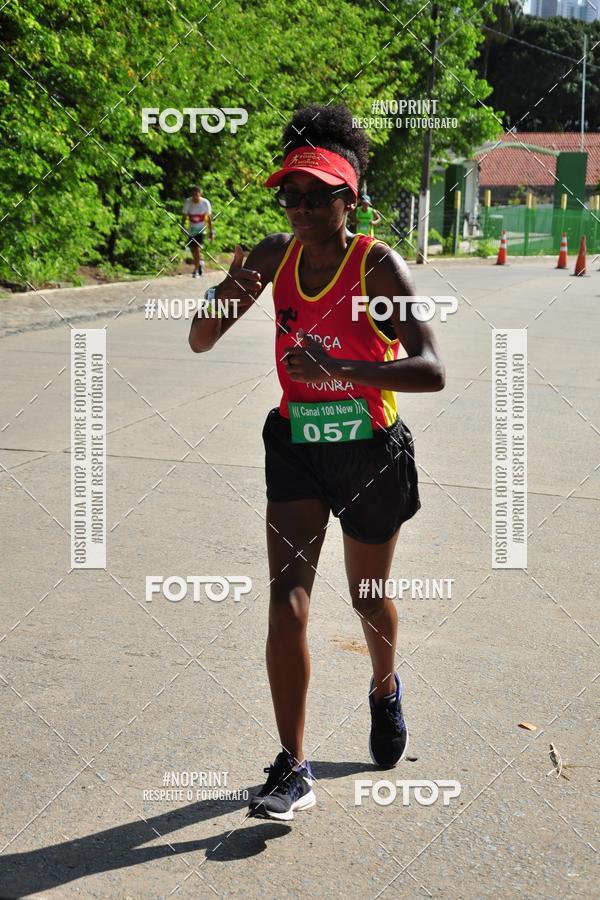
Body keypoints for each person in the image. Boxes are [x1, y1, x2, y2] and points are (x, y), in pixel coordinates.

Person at [188, 104, 445, 821]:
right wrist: (224, 294)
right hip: (297, 445)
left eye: (314, 196)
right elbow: (200, 342)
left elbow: (430, 369)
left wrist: (344, 365)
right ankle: (293, 764)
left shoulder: (377, 266)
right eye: (289, 196)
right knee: (286, 599)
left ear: (347, 199)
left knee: (366, 598)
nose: (298, 209)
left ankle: (385, 686)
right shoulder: (273, 256)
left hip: (369, 451)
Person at [182, 185, 213, 277]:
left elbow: (209, 218)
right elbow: (184, 216)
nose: (195, 197)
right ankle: (199, 263)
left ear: (200, 194)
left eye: (197, 194)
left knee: (197, 248)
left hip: (201, 229)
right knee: (192, 249)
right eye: (194, 195)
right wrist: (182, 227)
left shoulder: (205, 203)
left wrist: (211, 231)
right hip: (191, 229)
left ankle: (195, 269)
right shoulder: (188, 202)